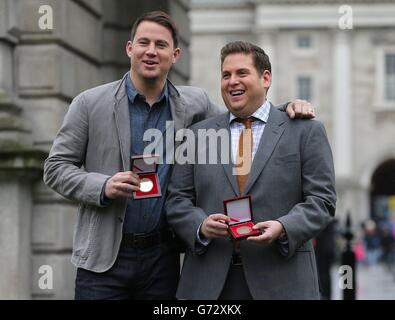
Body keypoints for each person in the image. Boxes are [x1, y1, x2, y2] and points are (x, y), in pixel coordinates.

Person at [43, 11, 315, 300]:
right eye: (143, 43)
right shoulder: (89, 103)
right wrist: (103, 186)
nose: (151, 51)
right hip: (103, 259)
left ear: (174, 55)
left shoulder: (193, 104)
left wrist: (287, 109)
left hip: (163, 259)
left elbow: (241, 116)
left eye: (160, 45)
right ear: (129, 48)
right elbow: (55, 168)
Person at [165, 41, 336, 300]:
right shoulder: (197, 135)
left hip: (283, 280)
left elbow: (322, 201)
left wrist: (283, 227)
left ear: (265, 78)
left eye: (241, 73)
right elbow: (177, 200)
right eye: (226, 75)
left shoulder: (306, 131)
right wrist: (200, 225)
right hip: (210, 285)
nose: (232, 81)